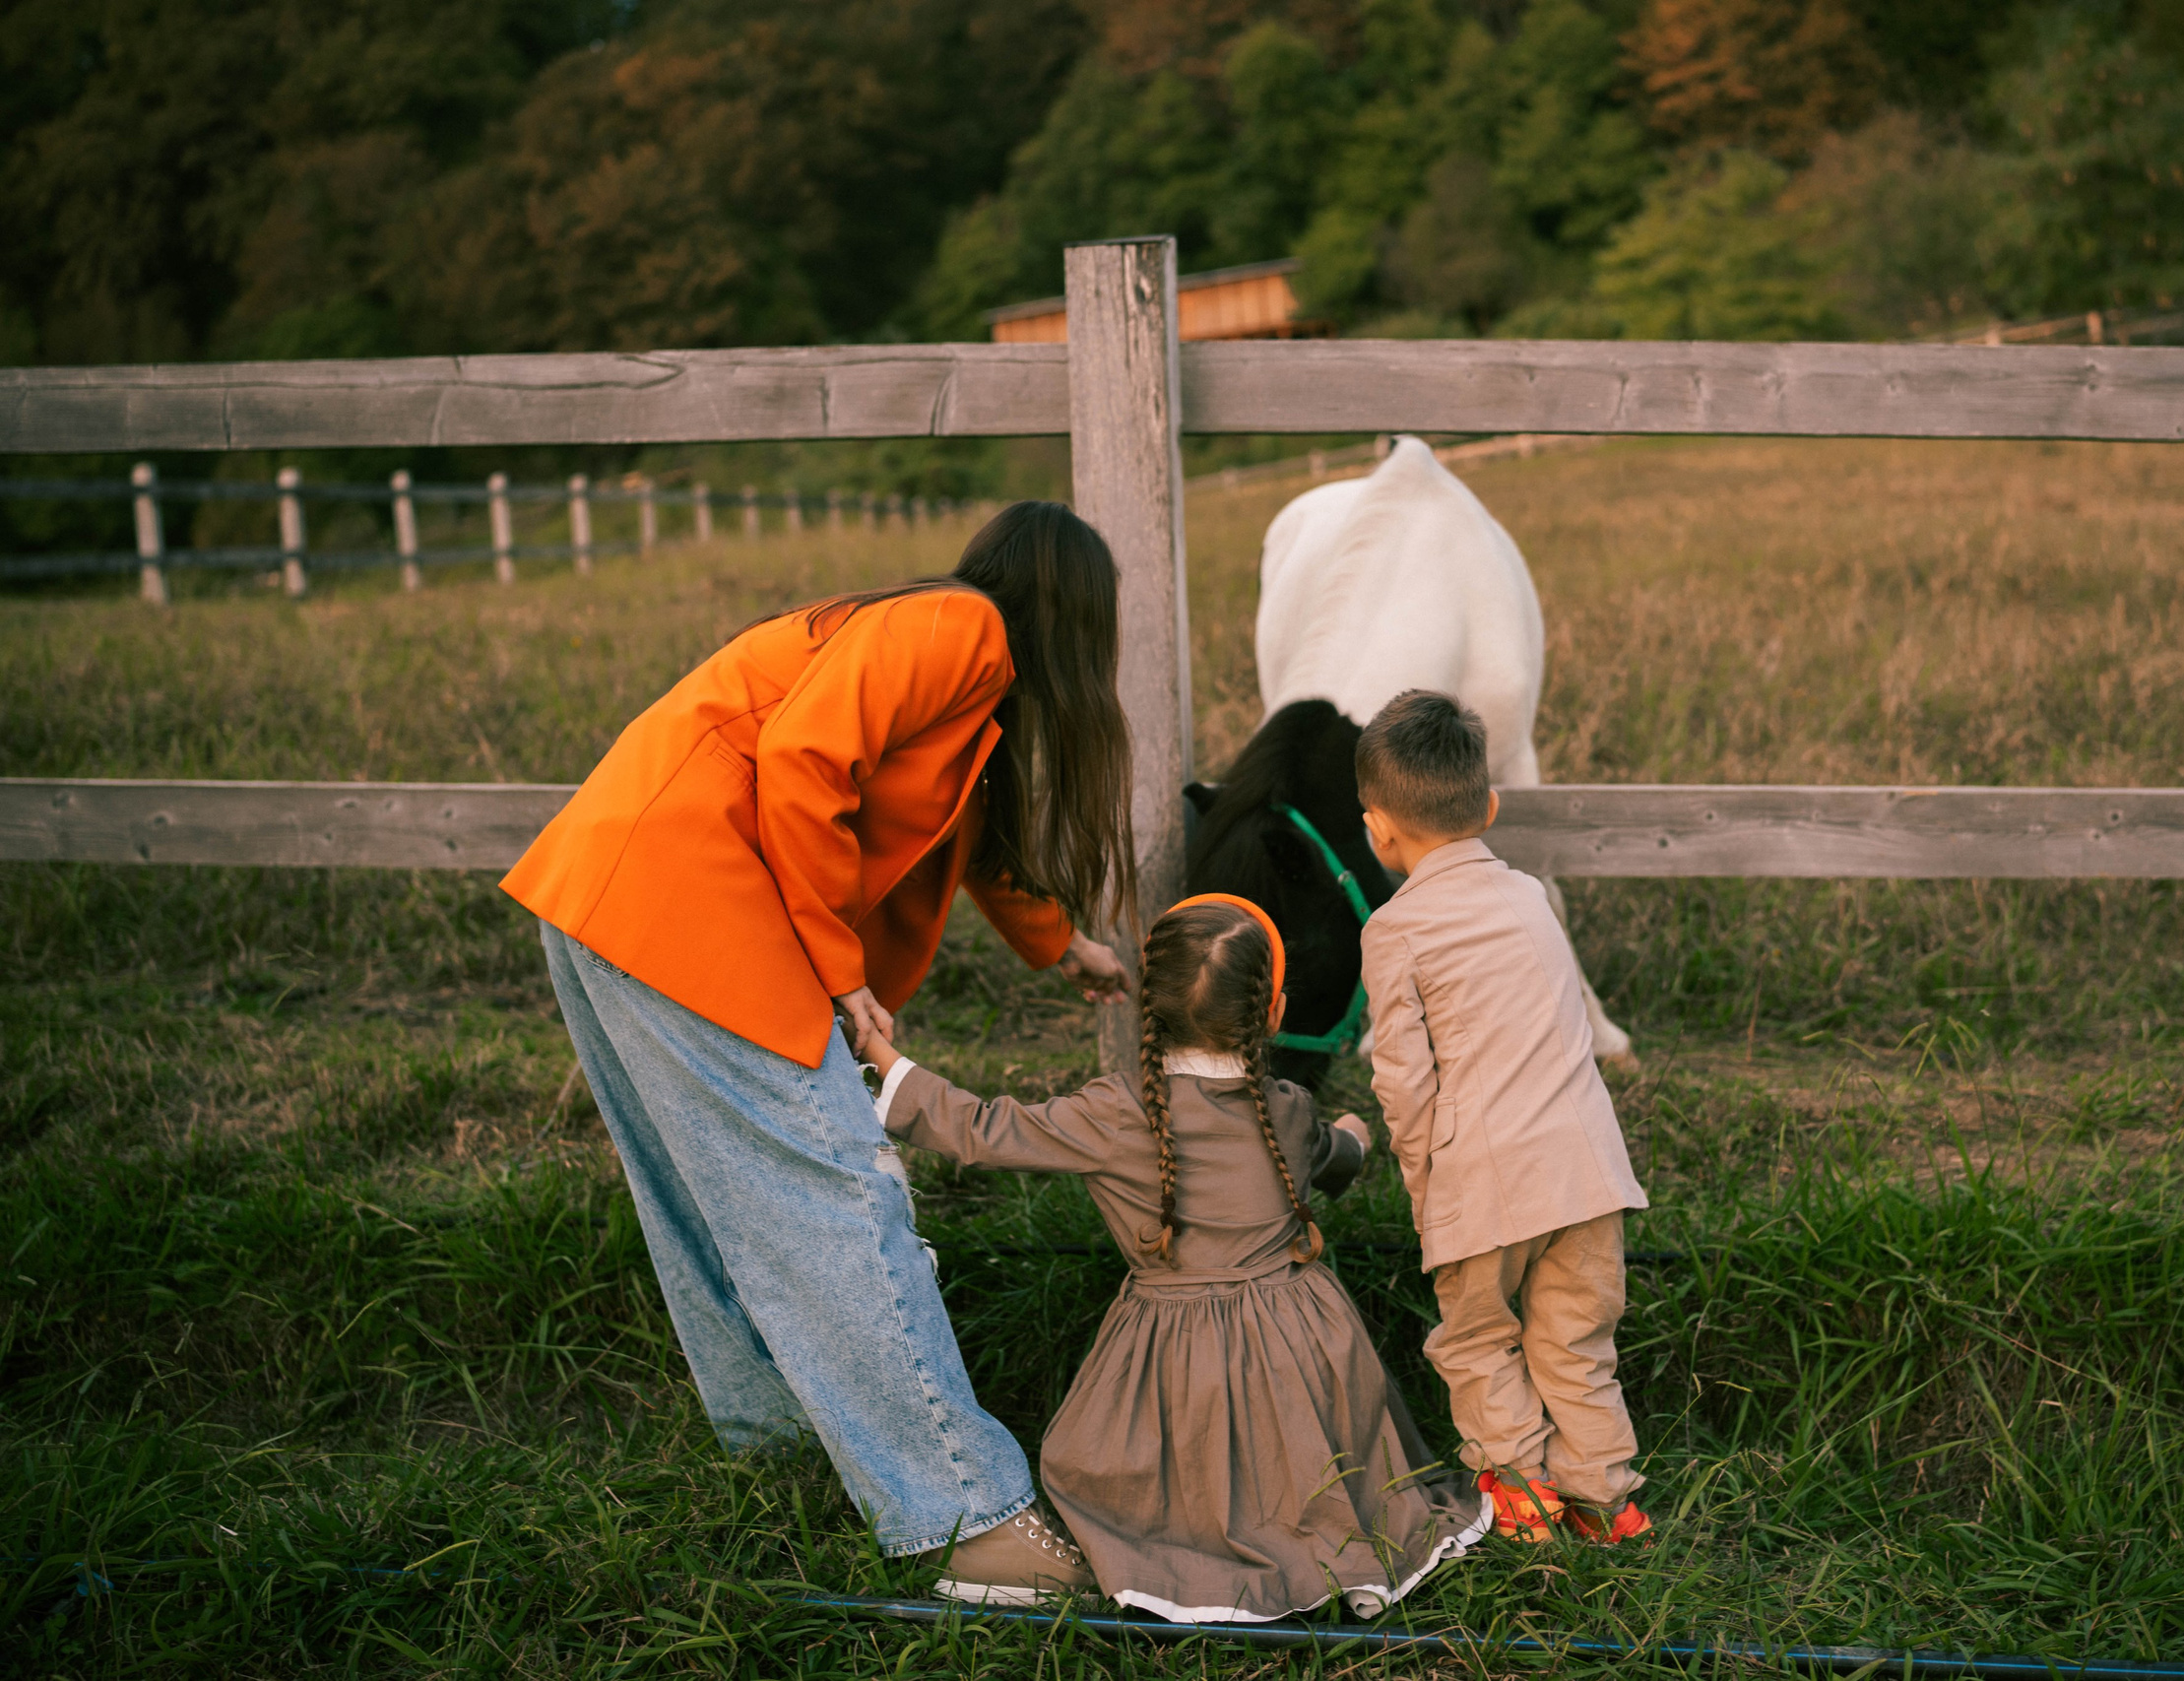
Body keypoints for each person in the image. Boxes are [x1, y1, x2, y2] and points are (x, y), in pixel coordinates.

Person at [502, 501, 1135, 1604]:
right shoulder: (960, 630)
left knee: (714, 1201)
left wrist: (1059, 941)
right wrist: (841, 974)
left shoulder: (949, 662)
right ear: (1073, 615)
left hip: (612, 895)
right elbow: (801, 763)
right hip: (691, 901)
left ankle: (782, 1454)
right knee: (836, 1192)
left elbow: (966, 836)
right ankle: (969, 1521)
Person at [856, 895, 1490, 1622]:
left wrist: (880, 1051)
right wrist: (1357, 1136)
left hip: (1177, 1348)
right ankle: (1318, 1535)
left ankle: (1194, 1545)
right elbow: (1334, 1155)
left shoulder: (1117, 1112)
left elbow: (979, 1126)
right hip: (1309, 1348)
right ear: (1273, 1012)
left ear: (1147, 1014)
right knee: (1301, 1448)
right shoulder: (1287, 1105)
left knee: (1130, 1461)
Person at [1354, 689, 1655, 1544]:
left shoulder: (1395, 928)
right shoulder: (1531, 896)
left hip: (1482, 1180)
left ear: (1378, 828)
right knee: (1575, 1345)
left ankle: (1524, 1501)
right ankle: (1606, 1500)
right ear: (1488, 805)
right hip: (1588, 1171)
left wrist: (1425, 1192)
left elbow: (1403, 1085)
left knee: (1479, 1340)